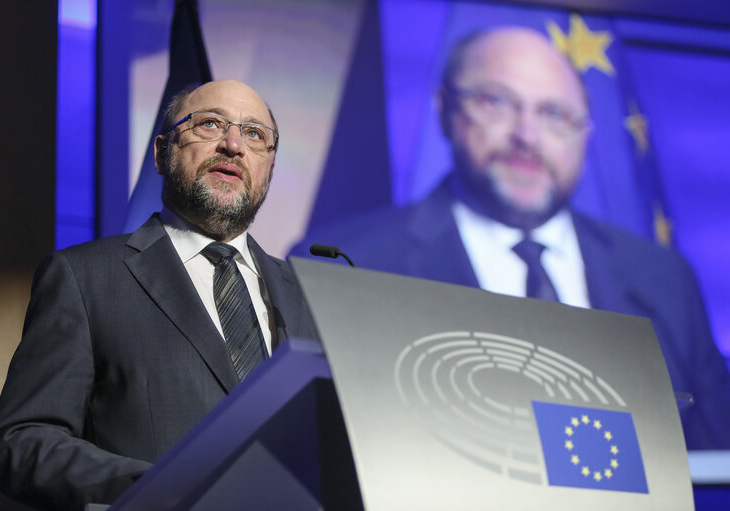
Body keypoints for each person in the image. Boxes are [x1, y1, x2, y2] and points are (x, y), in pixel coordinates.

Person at [291, 27, 730, 449]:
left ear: (585, 135)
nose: (527, 135)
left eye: (554, 114)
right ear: (445, 110)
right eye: (497, 102)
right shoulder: (343, 264)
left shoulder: (662, 276)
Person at [0, 79, 319, 510]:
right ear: (162, 153)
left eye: (255, 134)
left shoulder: (310, 295)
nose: (234, 144)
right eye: (211, 124)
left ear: (269, 169)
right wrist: (157, 489)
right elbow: (21, 441)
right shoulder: (85, 277)